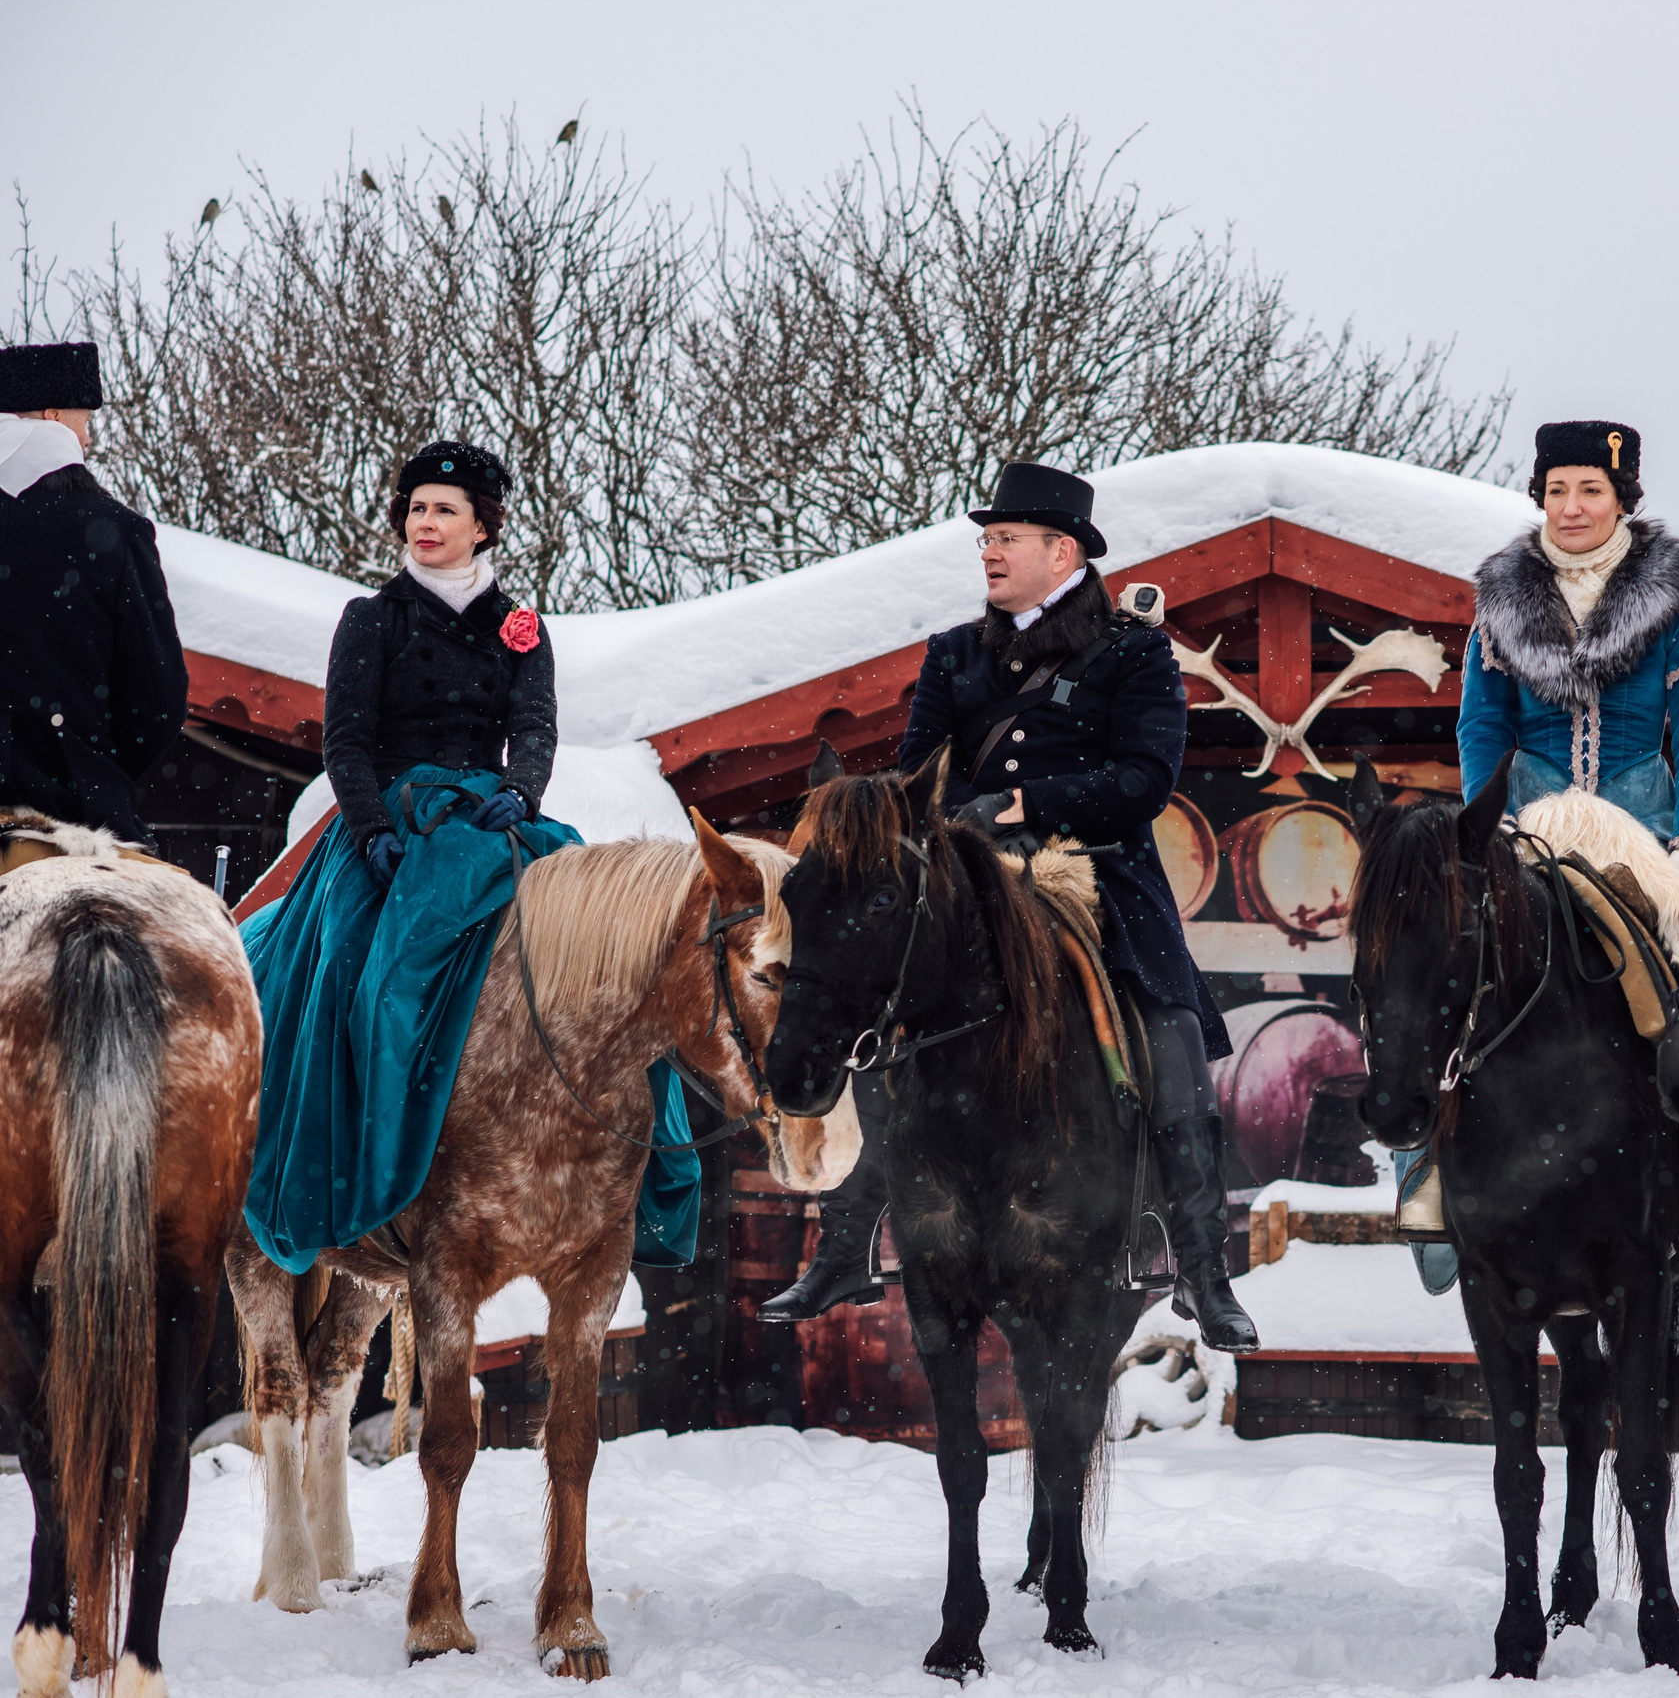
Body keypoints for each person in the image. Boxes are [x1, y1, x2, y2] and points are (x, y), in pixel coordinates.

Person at [760, 462, 1259, 1354]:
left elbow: (1145, 781)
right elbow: (920, 770)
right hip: (973, 880)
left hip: (1098, 876)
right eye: (985, 540)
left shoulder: (1133, 651)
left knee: (1172, 1041)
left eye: (1006, 539)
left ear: (1061, 550)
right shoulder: (953, 652)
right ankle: (845, 1245)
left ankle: (1201, 1268)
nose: (988, 553)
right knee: (886, 1012)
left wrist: (1028, 806)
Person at [241, 440, 697, 1273]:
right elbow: (344, 741)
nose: (425, 521)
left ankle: (631, 1170)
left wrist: (521, 794)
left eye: (444, 508)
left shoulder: (520, 629)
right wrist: (374, 826)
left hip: (493, 822)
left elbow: (535, 730)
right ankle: (364, 1185)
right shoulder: (370, 620)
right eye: (415, 507)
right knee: (361, 975)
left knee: (613, 969)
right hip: (390, 826)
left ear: (484, 527)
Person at [1428, 420, 1679, 1278]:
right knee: (1441, 967)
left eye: (1590, 489)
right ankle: (1430, 1173)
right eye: (1557, 490)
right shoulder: (1500, 600)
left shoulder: (1676, 599)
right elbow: (1482, 723)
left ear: (1623, 499)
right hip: (1525, 819)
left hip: (1646, 820)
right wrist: (1493, 824)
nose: (1572, 506)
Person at [0, 341, 188, 856]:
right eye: (85, 421)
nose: (87, 437)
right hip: (73, 802)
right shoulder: (113, 529)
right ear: (54, 416)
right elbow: (158, 698)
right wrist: (88, 758)